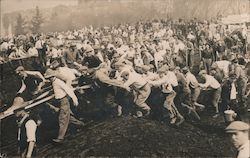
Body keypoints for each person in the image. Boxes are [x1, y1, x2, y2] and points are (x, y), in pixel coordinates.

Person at [44, 69, 79, 143]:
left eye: (49, 77)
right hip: (60, 101)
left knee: (62, 118)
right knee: (68, 117)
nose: (49, 79)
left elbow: (68, 89)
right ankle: (81, 124)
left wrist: (74, 99)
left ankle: (60, 138)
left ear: (53, 76)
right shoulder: (53, 82)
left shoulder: (58, 82)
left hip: (64, 101)